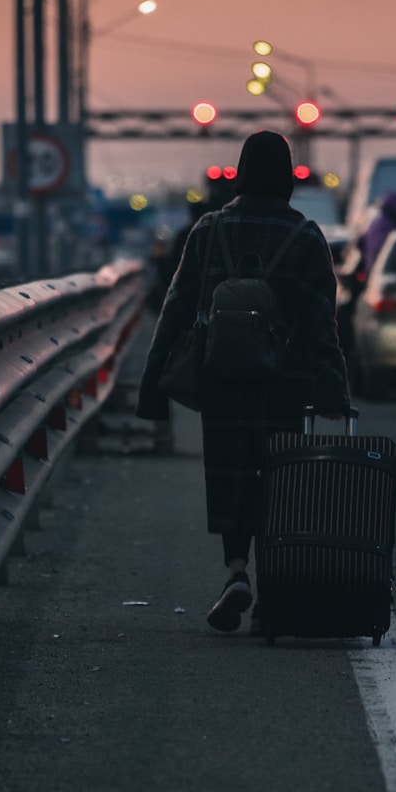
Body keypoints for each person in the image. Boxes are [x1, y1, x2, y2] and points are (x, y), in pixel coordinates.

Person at [135, 130, 350, 634]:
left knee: (230, 474)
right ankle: (273, 593)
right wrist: (334, 391)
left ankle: (237, 571)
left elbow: (176, 308)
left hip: (223, 378)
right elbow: (323, 326)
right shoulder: (306, 236)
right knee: (278, 478)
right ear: (288, 178)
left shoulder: (209, 230)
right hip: (287, 384)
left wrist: (152, 386)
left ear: (241, 171)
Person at [357, 189, 396, 278]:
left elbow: (359, 242)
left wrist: (366, 256)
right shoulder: (390, 227)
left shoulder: (375, 222)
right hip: (383, 273)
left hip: (371, 269)